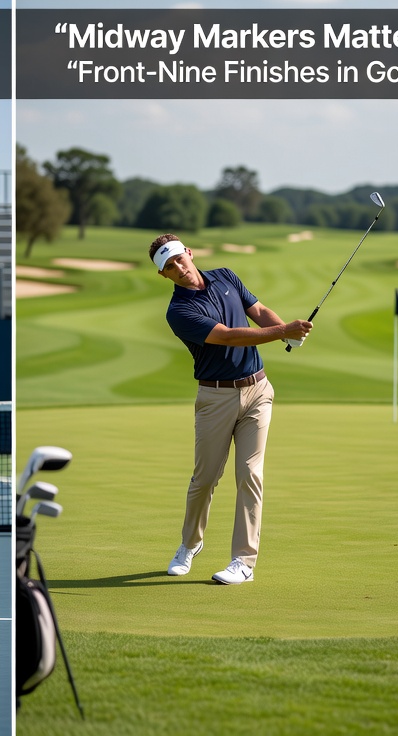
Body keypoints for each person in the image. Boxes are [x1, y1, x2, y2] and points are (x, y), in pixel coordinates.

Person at [150, 234, 311, 585]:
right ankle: (190, 544)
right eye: (169, 266)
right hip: (215, 397)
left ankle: (243, 562)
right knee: (205, 479)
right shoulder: (179, 311)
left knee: (250, 474)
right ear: (164, 275)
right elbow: (227, 336)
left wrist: (284, 332)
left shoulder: (226, 275)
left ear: (190, 253)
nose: (179, 268)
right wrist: (283, 330)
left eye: (179, 258)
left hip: (258, 390)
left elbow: (259, 312)